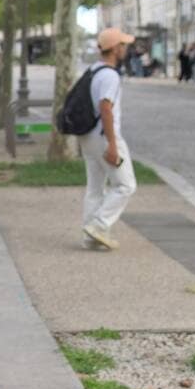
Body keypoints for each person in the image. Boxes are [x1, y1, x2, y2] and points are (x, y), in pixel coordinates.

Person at [80, 28, 138, 250]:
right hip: (104, 136)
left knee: (95, 187)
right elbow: (106, 108)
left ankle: (90, 235)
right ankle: (99, 225)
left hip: (88, 135)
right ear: (114, 48)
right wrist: (113, 144)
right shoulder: (110, 75)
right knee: (125, 185)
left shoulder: (94, 70)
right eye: (123, 45)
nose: (125, 49)